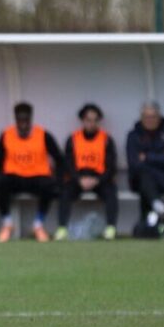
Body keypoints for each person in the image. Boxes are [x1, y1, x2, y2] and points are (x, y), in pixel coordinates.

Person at [0, 102, 64, 243]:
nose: (23, 124)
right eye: (20, 120)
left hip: (37, 177)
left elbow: (59, 159)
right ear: (16, 119)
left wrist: (58, 178)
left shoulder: (43, 134)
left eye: (26, 120)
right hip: (15, 178)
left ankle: (38, 225)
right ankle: (7, 224)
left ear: (30, 119)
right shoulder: (6, 135)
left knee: (49, 185)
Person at [56, 103, 119, 240]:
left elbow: (111, 166)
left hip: (100, 178)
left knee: (111, 192)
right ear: (83, 120)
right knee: (65, 192)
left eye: (95, 120)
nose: (92, 123)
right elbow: (68, 164)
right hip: (78, 178)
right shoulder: (73, 139)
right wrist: (79, 179)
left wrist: (97, 180)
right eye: (88, 120)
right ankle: (62, 228)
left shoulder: (106, 139)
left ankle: (111, 228)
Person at [126, 101, 164, 230]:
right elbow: (134, 163)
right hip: (142, 180)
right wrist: (162, 156)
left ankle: (150, 221)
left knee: (146, 180)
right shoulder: (134, 136)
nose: (150, 120)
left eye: (153, 116)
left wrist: (147, 157)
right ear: (141, 117)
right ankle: (158, 212)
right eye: (146, 117)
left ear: (159, 117)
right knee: (145, 177)